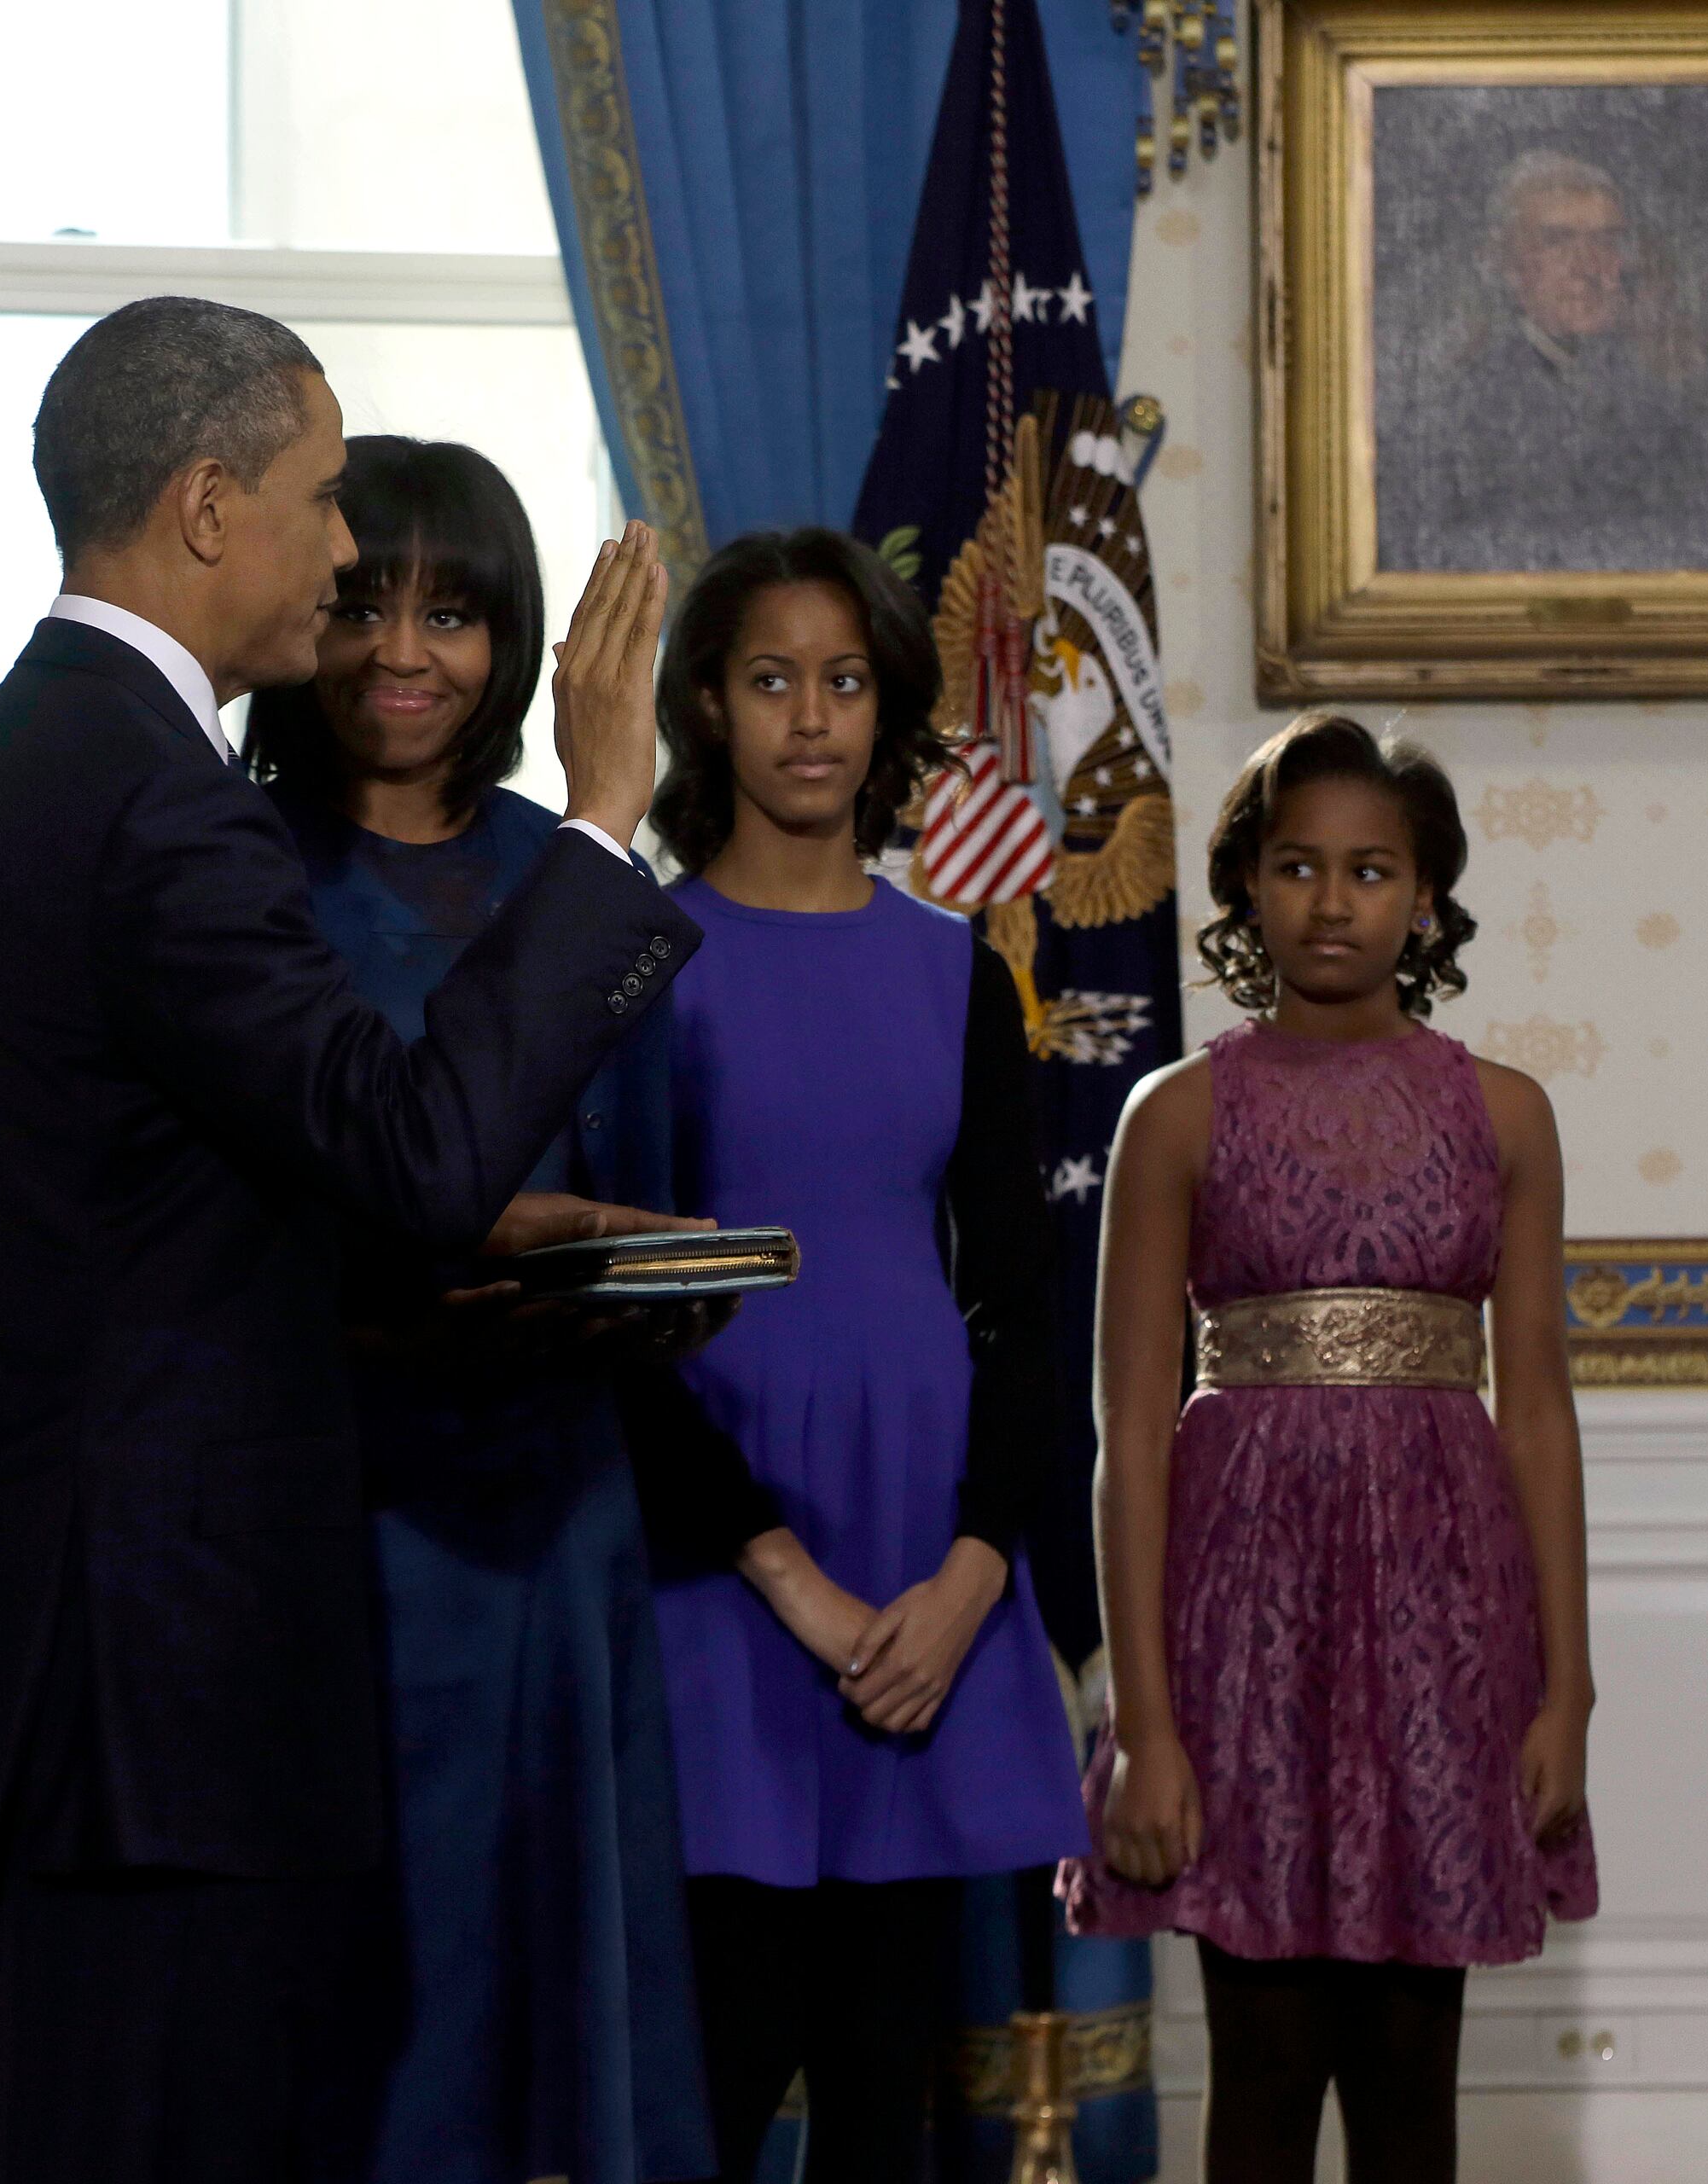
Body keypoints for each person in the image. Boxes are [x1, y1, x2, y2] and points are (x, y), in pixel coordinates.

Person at [0, 299, 689, 2184]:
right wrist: (604, 816)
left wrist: (410, 1219)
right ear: (209, 506)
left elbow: (118, 1200)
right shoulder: (169, 809)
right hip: (144, 1698)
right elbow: (427, 1149)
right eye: (320, 498)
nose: (350, 552)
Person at [239, 434, 741, 2184]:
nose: (403, 648)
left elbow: (649, 1178)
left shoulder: (582, 873)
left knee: (569, 2000)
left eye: (452, 609)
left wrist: (658, 1296)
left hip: (561, 1514)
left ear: (515, 640)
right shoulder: (236, 868)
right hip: (336, 1517)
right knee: (382, 2012)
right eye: (366, 599)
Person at [1063, 715, 1599, 2183]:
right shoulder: (1174, 1115)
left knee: (1413, 2095)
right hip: (1244, 1635)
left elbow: (1538, 1410)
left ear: (1425, 896)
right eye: (1297, 866)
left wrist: (1572, 1688)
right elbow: (1127, 1428)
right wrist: (1149, 1729)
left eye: (1372, 870)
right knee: (1262, 2085)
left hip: (1445, 1627)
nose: (1334, 900)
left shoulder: (1506, 1117)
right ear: (1244, 885)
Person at [637, 527, 1088, 2182]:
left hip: (925, 1571)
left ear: (886, 706)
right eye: (772, 679)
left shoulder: (955, 969)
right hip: (724, 1564)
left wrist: (972, 1575)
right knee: (715, 2073)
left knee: (890, 2103)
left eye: (842, 680)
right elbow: (614, 1326)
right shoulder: (644, 964)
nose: (810, 717)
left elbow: (1024, 1306)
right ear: (707, 702)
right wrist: (789, 1580)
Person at [1374, 148, 1708, 575]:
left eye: (1607, 240)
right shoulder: (1455, 410)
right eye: (1557, 240)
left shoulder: (1672, 390)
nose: (1588, 268)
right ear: (1504, 263)